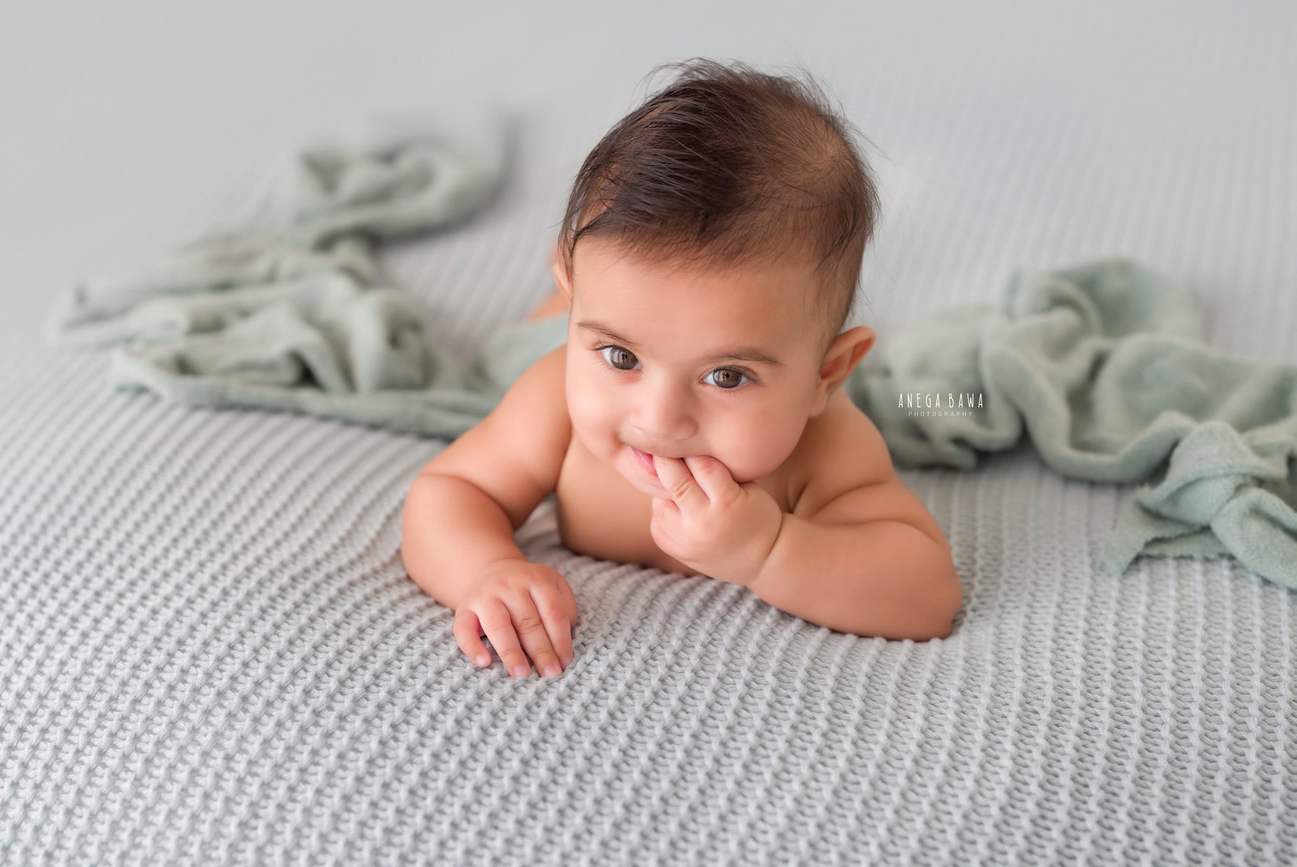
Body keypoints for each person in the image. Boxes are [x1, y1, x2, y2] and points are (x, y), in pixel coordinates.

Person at [401, 58, 962, 680]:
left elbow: (928, 595)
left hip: (637, 330)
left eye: (727, 376)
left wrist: (769, 549)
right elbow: (450, 492)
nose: (659, 419)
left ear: (827, 376)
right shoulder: (554, 400)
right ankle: (561, 302)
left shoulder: (825, 447)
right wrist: (484, 568)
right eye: (622, 358)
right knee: (526, 345)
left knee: (646, 322)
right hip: (552, 341)